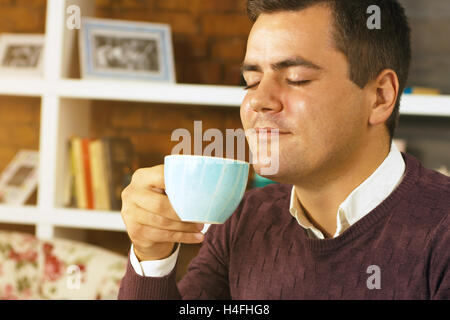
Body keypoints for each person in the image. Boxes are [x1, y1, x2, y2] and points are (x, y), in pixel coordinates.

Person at [118, 0, 449, 299]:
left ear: (380, 96)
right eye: (250, 81)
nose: (258, 101)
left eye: (296, 78)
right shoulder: (243, 219)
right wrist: (153, 256)